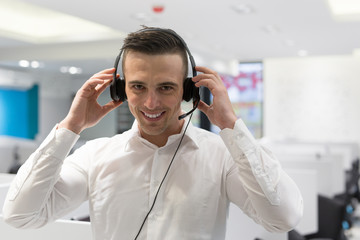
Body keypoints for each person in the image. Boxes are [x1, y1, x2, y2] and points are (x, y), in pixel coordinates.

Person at [3, 27, 303, 240]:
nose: (150, 103)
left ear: (188, 90)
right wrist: (70, 128)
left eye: (166, 87)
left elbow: (283, 219)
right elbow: (20, 216)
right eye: (138, 87)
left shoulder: (221, 156)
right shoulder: (95, 155)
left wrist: (233, 128)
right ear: (121, 88)